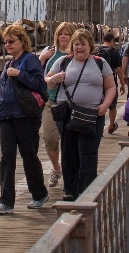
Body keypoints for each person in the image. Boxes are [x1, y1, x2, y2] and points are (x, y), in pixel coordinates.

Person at [0, 24, 50, 214]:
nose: (8, 45)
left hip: (26, 116)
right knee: (7, 158)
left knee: (29, 156)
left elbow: (39, 85)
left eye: (12, 41)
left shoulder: (30, 60)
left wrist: (20, 74)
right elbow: (8, 92)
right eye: (5, 42)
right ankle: (6, 202)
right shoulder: (8, 64)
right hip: (7, 116)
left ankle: (39, 194)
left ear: (22, 41)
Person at [45, 29, 117, 201]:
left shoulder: (100, 63)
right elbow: (47, 80)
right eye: (76, 44)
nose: (79, 47)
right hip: (68, 114)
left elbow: (111, 87)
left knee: (88, 153)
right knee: (69, 153)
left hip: (93, 115)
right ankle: (70, 190)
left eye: (83, 44)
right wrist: (55, 79)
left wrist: (105, 106)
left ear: (90, 46)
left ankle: (87, 191)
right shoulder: (63, 62)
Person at [38, 22, 75, 188]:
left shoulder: (79, 53)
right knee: (50, 138)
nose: (64, 37)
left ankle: (70, 175)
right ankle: (56, 168)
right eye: (61, 33)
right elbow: (36, 76)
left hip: (71, 104)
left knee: (69, 141)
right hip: (50, 102)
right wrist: (42, 59)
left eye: (67, 34)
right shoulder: (50, 54)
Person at [95, 32, 124, 134]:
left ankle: (97, 126)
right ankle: (111, 125)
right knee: (112, 106)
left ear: (103, 40)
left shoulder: (96, 51)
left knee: (97, 104)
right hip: (110, 83)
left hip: (97, 82)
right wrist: (122, 83)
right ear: (112, 40)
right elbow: (119, 70)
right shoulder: (115, 52)